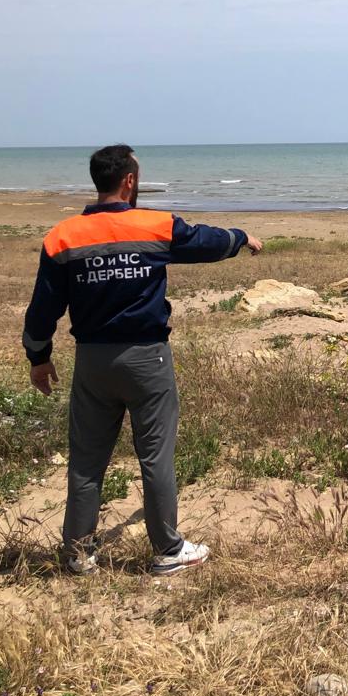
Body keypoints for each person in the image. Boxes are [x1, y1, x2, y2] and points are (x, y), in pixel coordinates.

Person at [23, 144, 263, 576]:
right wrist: (241, 238)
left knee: (87, 459)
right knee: (155, 456)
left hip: (92, 362)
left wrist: (38, 357)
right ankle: (168, 551)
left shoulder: (63, 236)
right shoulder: (154, 225)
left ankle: (78, 553)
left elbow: (43, 309)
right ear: (130, 180)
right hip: (147, 359)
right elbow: (205, 242)